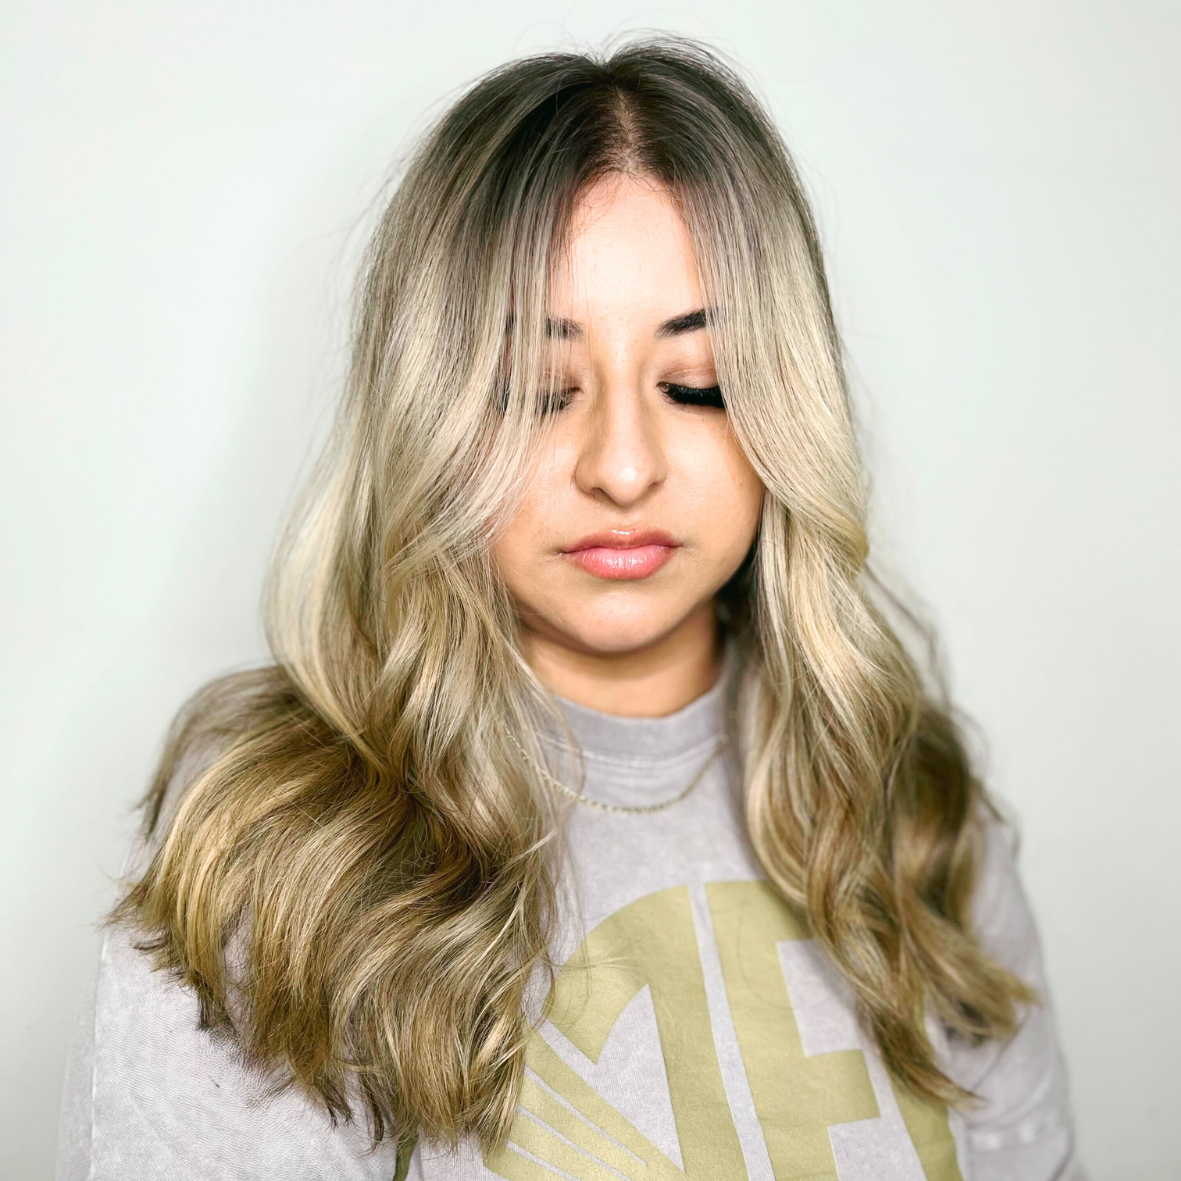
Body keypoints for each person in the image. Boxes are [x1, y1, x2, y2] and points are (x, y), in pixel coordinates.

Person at [56, 36, 1085, 1181]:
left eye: (695, 382)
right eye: (539, 391)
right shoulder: (275, 847)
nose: (624, 465)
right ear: (430, 415)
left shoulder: (910, 813)